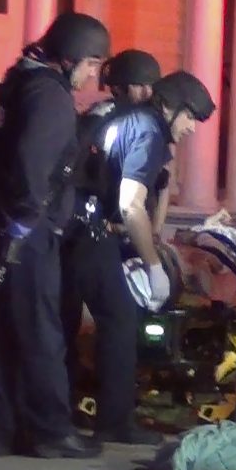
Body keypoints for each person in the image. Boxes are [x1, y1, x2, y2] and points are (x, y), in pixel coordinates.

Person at [0, 11, 110, 458]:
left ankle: (2, 430)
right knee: (40, 330)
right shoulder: (49, 97)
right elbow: (36, 167)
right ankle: (50, 432)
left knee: (1, 329)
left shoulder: (15, 82)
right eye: (90, 65)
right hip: (24, 233)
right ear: (69, 59)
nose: (92, 77)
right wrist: (27, 221)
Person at [60, 49, 163, 445]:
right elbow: (122, 186)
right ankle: (115, 421)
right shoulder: (130, 122)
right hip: (91, 228)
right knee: (118, 320)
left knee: (63, 321)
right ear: (119, 85)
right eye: (137, 84)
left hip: (69, 227)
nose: (145, 91)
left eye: (148, 84)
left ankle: (62, 407)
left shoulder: (97, 115)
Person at [111, 70, 217, 313]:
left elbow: (161, 186)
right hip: (89, 232)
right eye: (189, 117)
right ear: (168, 106)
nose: (191, 128)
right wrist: (154, 266)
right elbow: (131, 204)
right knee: (119, 321)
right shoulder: (149, 132)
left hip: (83, 229)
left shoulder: (136, 120)